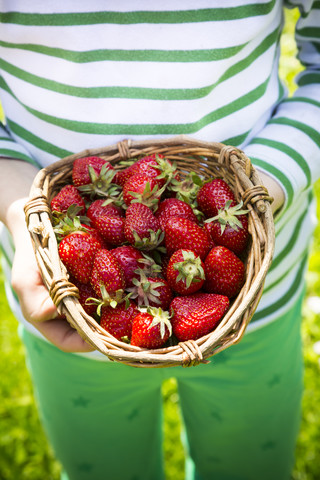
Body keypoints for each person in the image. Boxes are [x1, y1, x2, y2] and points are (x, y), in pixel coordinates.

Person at [0, 2, 319, 479]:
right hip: (68, 302)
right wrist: (19, 209)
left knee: (250, 465)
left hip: (255, 302)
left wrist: (258, 189)